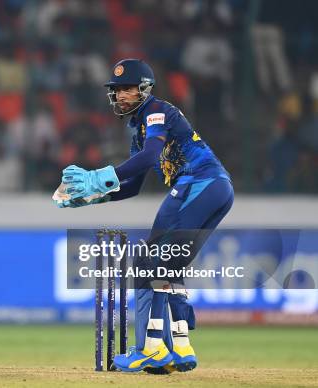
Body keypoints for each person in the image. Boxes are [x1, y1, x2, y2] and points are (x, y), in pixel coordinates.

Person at [58, 59, 234, 373]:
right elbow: (133, 186)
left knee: (149, 261)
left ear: (144, 89)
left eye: (127, 88)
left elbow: (151, 157)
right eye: (117, 90)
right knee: (169, 263)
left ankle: (152, 348)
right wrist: (91, 197)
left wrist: (100, 175)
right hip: (215, 189)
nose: (121, 95)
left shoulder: (156, 111)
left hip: (199, 183)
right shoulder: (140, 133)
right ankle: (180, 347)